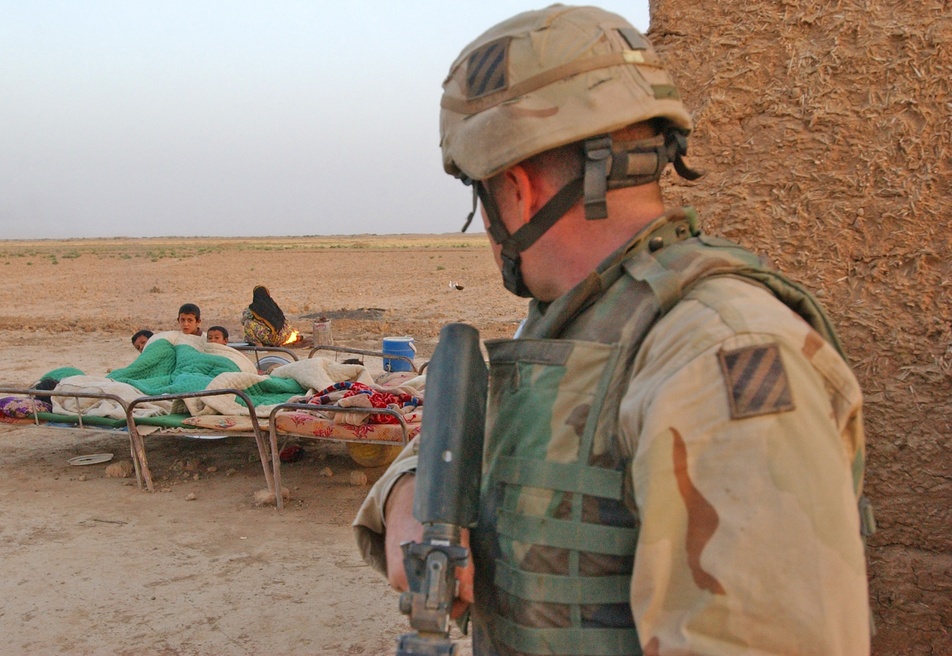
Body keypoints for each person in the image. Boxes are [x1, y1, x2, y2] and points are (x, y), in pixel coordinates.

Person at [353, 5, 872, 655]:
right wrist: (412, 504)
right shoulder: (579, 320)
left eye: (479, 199)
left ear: (516, 192)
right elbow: (486, 440)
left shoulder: (720, 357)